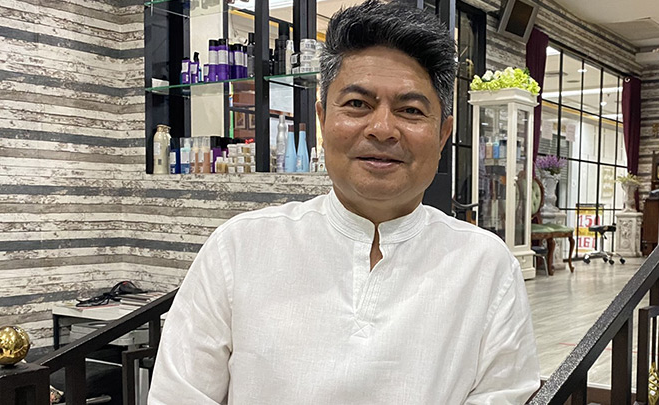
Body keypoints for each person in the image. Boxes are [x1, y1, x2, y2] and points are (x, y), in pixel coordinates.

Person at [148, 1, 539, 403]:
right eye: (357, 104)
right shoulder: (239, 249)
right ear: (322, 119)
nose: (382, 129)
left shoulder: (485, 267)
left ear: (442, 134)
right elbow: (177, 395)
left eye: (410, 110)